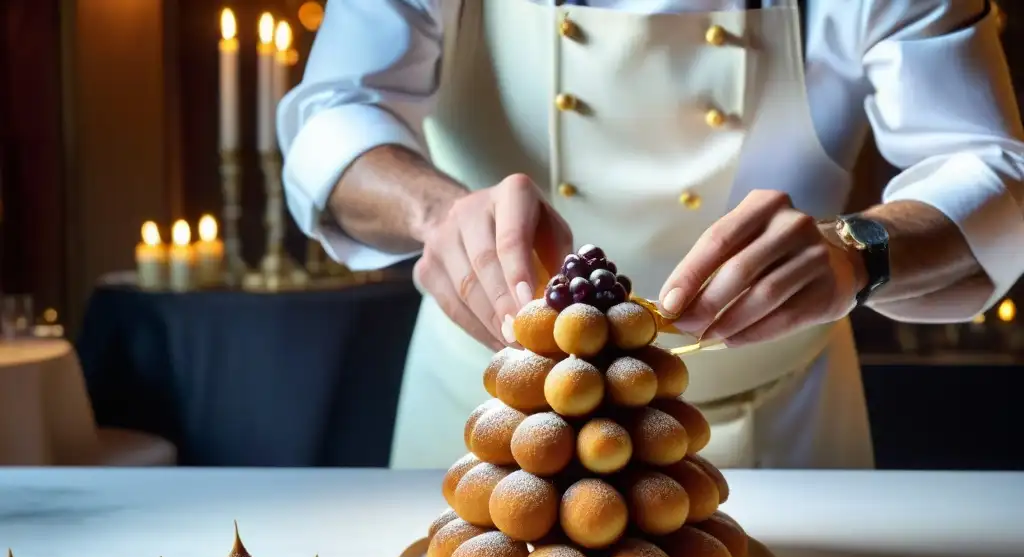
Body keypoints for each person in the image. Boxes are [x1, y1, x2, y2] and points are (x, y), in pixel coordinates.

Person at [278, 0, 1024, 470]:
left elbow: (995, 170)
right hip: (490, 426)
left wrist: (861, 246)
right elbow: (332, 121)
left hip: (783, 439)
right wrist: (437, 213)